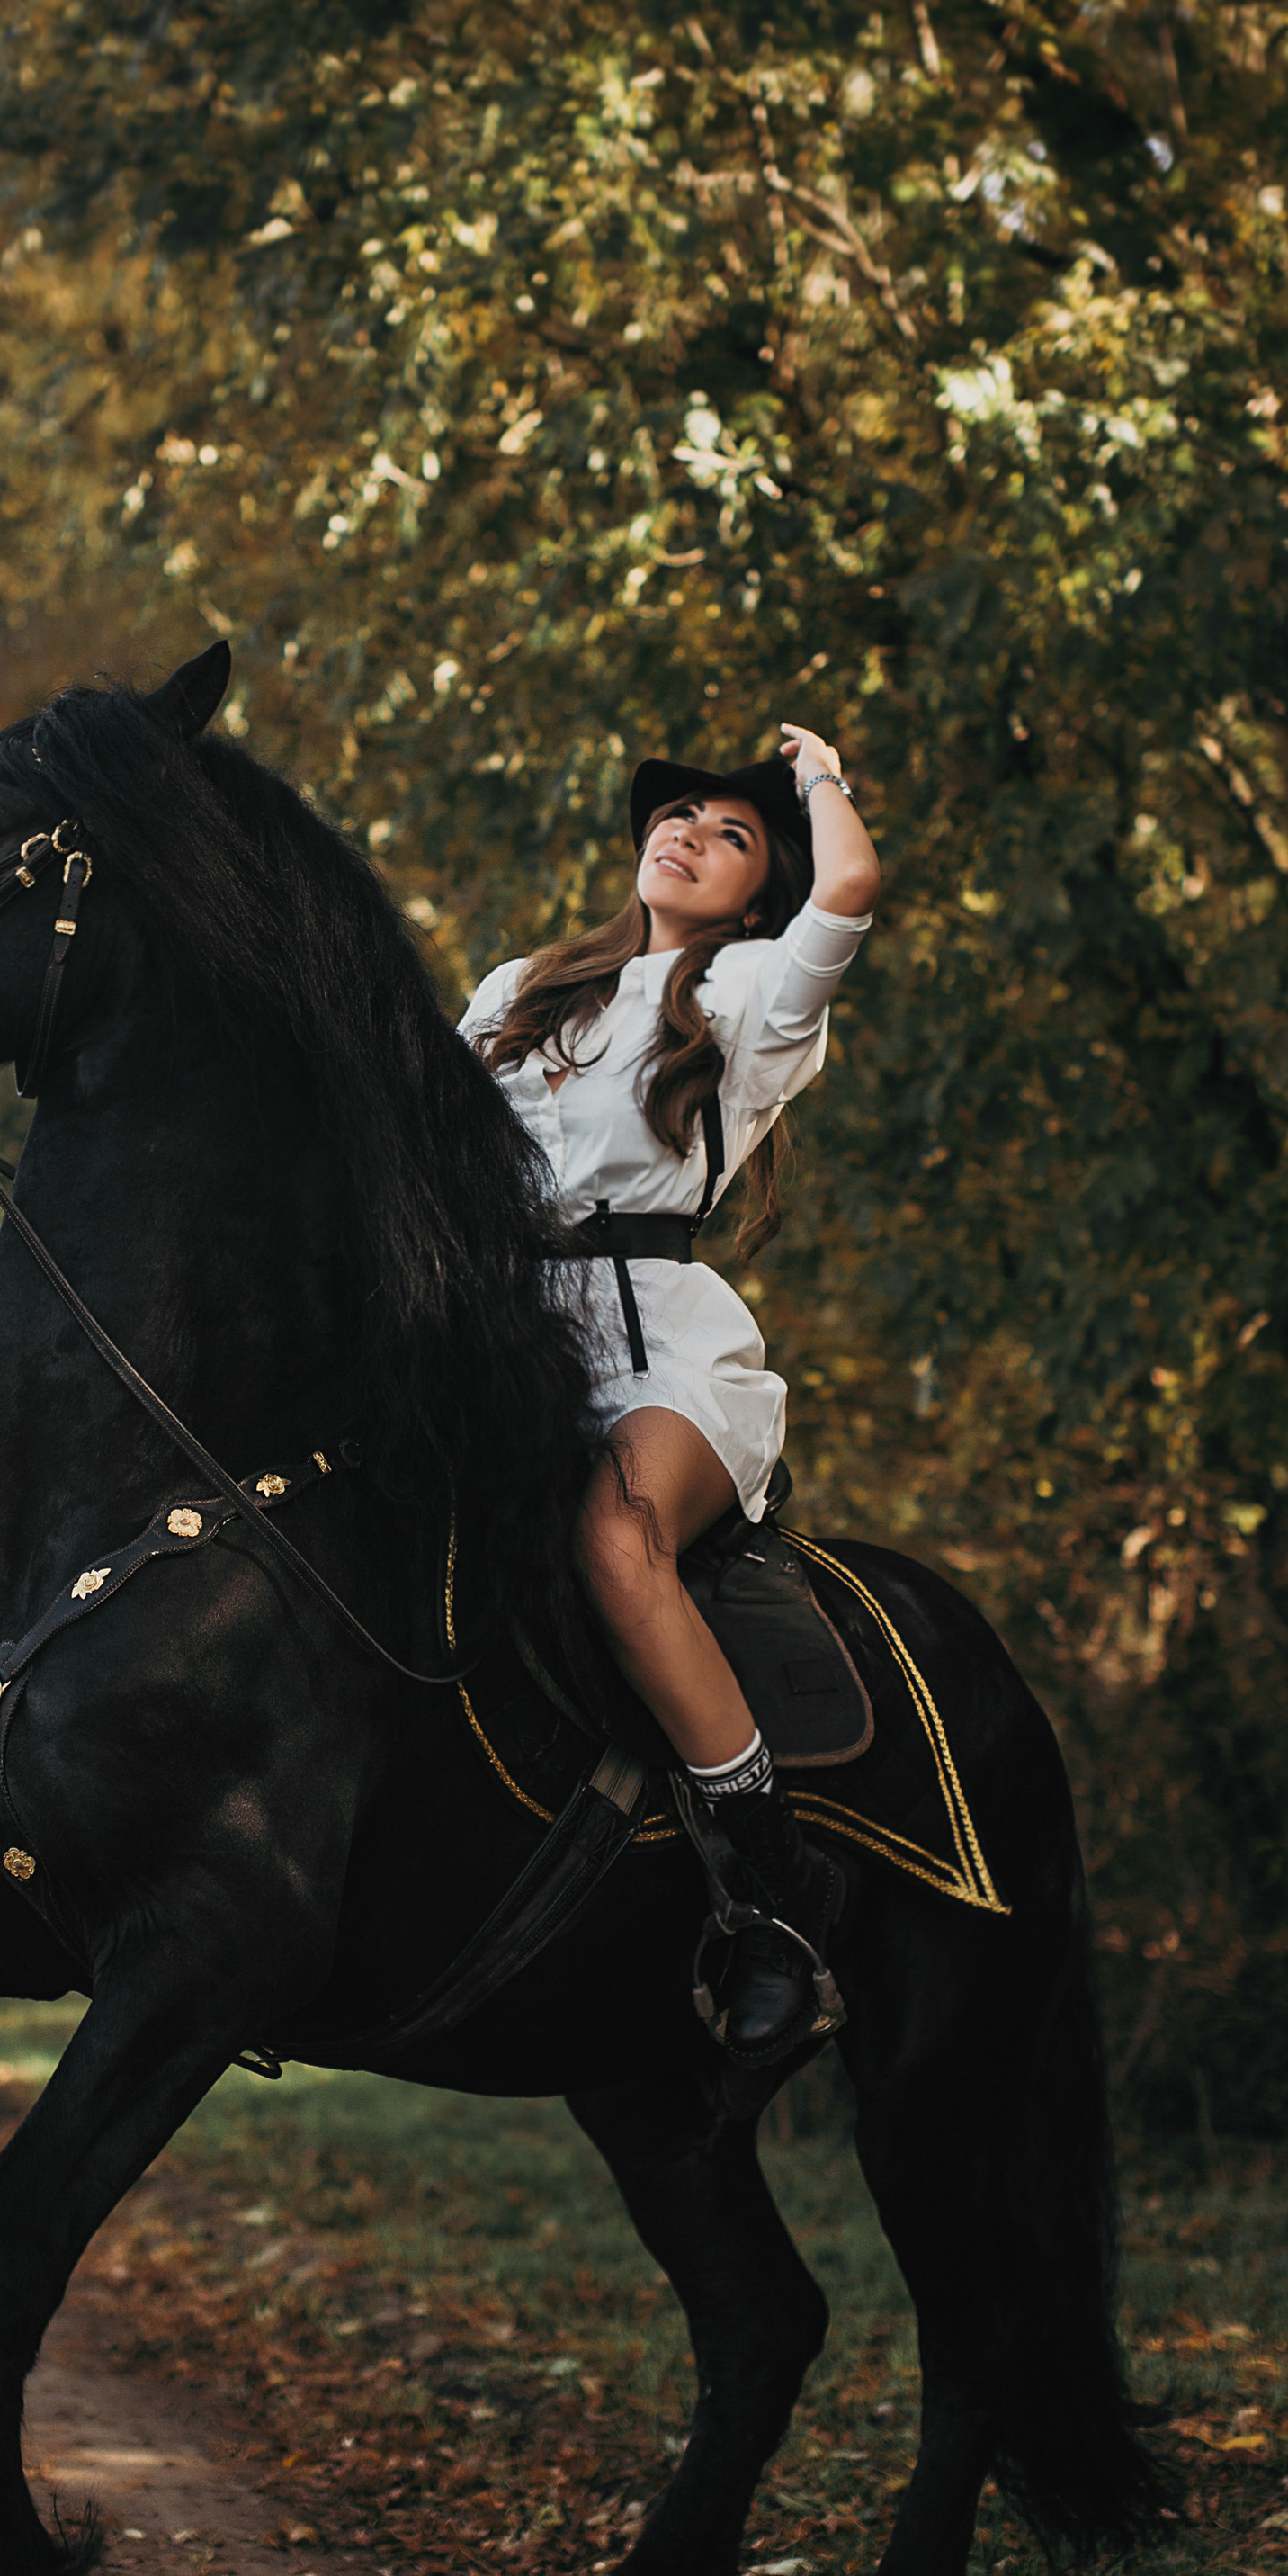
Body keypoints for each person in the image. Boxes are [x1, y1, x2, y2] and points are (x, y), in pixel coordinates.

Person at [461, 722, 881, 2065]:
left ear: (757, 890)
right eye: (678, 815)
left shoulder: (756, 988)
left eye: (729, 831)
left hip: (659, 1352)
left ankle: (772, 1900)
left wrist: (818, 785)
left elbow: (853, 891)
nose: (688, 832)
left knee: (612, 1539)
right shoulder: (519, 987)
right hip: (502, 1339)